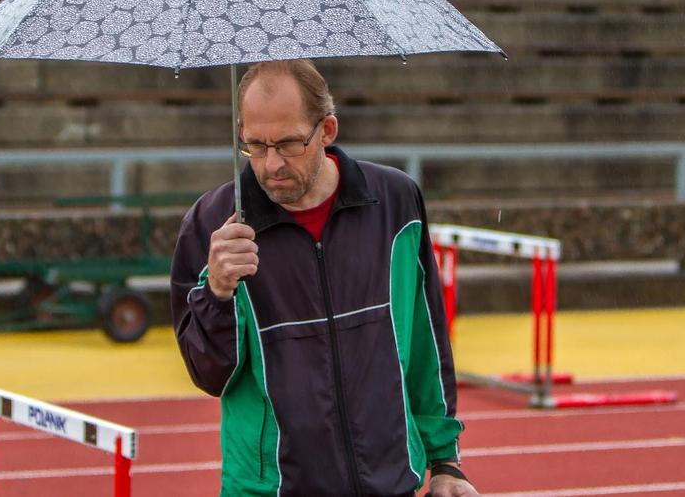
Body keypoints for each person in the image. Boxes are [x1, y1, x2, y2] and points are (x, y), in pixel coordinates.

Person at [171, 60, 478, 496]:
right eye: (254, 145)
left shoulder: (395, 201)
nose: (270, 164)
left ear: (327, 129)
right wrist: (216, 292)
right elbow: (209, 375)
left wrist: (445, 461)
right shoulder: (211, 226)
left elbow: (426, 342)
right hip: (268, 490)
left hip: (389, 483)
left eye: (288, 143)